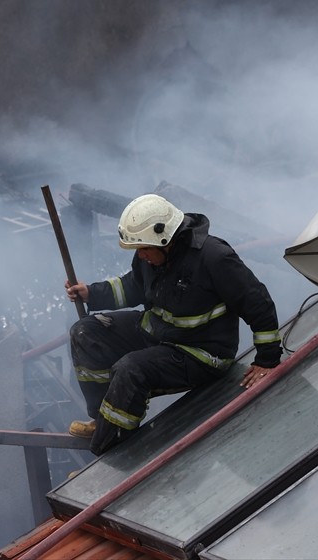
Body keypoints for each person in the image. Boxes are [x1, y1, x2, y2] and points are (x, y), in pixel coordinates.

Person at [64, 193, 282, 455]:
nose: (141, 255)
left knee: (131, 369)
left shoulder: (214, 258)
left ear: (165, 239)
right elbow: (133, 285)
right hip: (158, 334)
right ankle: (103, 421)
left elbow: (257, 303)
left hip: (200, 353)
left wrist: (267, 360)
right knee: (85, 332)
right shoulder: (150, 254)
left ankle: (108, 452)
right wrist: (92, 293)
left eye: (144, 249)